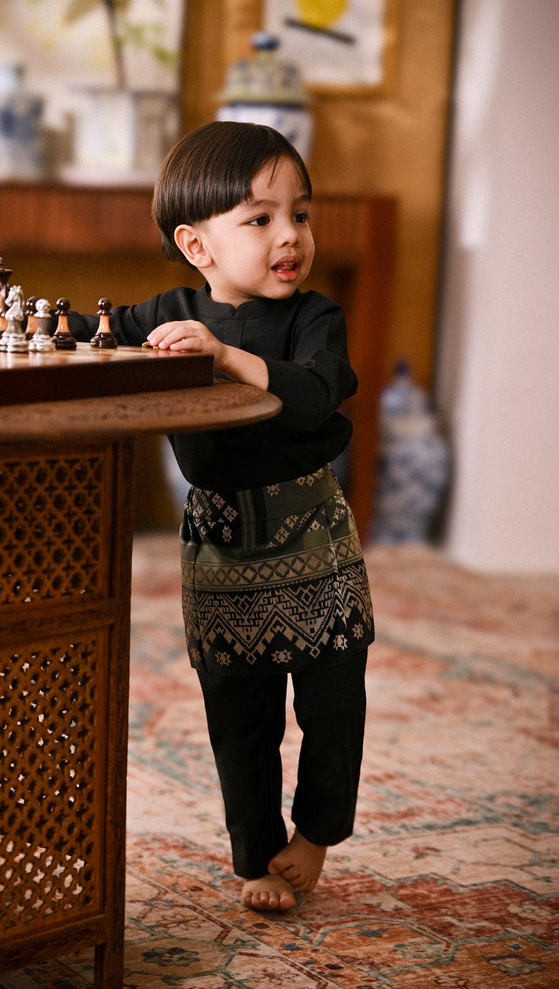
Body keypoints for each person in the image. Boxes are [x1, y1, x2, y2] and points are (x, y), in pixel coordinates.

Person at [69, 121, 374, 913]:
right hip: (220, 544)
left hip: (313, 533)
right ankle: (255, 856)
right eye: (259, 218)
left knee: (333, 702)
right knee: (239, 714)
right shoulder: (166, 312)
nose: (289, 235)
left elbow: (315, 394)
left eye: (299, 214)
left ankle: (315, 835)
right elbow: (80, 336)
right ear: (195, 244)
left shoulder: (314, 318)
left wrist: (226, 355)